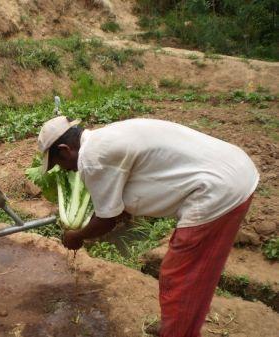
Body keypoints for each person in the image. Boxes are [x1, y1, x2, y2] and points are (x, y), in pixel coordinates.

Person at [37, 116, 259, 337]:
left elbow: (106, 220)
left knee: (179, 275)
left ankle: (176, 331)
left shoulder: (92, 158)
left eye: (59, 164)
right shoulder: (104, 138)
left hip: (218, 190)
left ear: (66, 150)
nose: (66, 170)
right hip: (232, 172)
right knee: (196, 273)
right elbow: (122, 198)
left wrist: (76, 236)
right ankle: (178, 326)